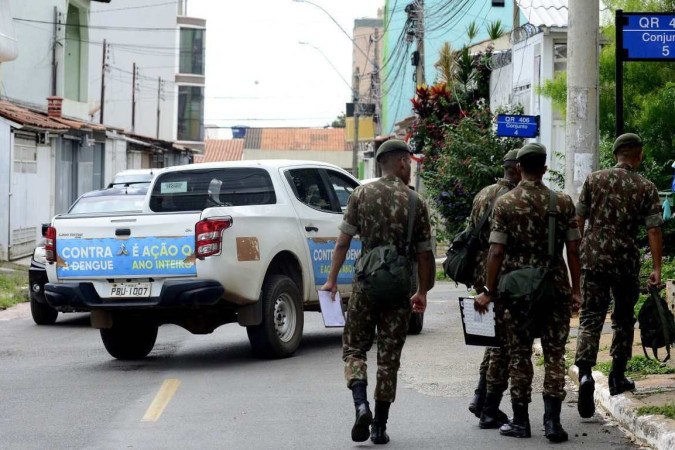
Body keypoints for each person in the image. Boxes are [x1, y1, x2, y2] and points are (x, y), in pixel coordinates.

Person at [321, 139, 434, 445]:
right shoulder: (415, 202)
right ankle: (380, 426)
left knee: (355, 348)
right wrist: (422, 291)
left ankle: (361, 404)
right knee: (389, 357)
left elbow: (343, 242)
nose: (410, 168)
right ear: (399, 163)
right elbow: (425, 255)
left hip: (366, 285)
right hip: (398, 289)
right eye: (409, 163)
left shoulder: (361, 194)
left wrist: (332, 280)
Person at [475, 143, 581, 443]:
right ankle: (553, 423)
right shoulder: (562, 202)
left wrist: (488, 291)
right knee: (555, 354)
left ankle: (521, 421)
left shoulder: (505, 204)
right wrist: (576, 291)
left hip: (515, 293)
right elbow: (573, 250)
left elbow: (496, 251)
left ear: (519, 168)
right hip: (555, 289)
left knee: (520, 355)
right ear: (545, 168)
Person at [574, 133, 663, 418]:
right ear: (637, 156)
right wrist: (657, 267)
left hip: (593, 257)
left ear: (615, 154)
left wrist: (577, 257)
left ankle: (585, 373)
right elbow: (653, 229)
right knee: (624, 319)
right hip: (625, 260)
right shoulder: (645, 187)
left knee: (590, 317)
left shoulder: (593, 180)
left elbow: (578, 221)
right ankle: (617, 375)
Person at [467, 149, 521, 429]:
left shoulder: (483, 193)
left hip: (480, 274)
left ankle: (481, 397)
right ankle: (488, 406)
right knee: (502, 342)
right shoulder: (513, 199)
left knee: (493, 338)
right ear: (519, 169)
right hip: (500, 274)